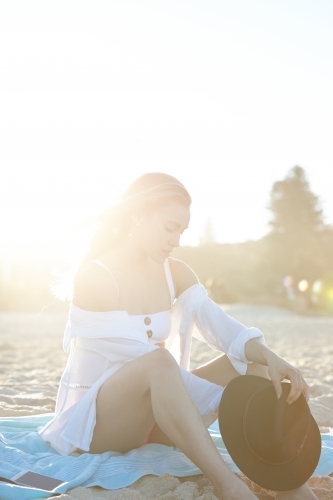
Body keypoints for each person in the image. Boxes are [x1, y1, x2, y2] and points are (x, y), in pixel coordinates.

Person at [38, 173, 318, 500]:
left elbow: (220, 325)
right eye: (170, 228)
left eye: (182, 231)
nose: (176, 240)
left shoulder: (176, 273)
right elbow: (143, 362)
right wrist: (216, 399)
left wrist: (270, 358)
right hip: (98, 427)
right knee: (157, 360)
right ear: (138, 215)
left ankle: (283, 481)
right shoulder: (96, 278)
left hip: (158, 420)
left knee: (250, 367)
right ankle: (227, 485)